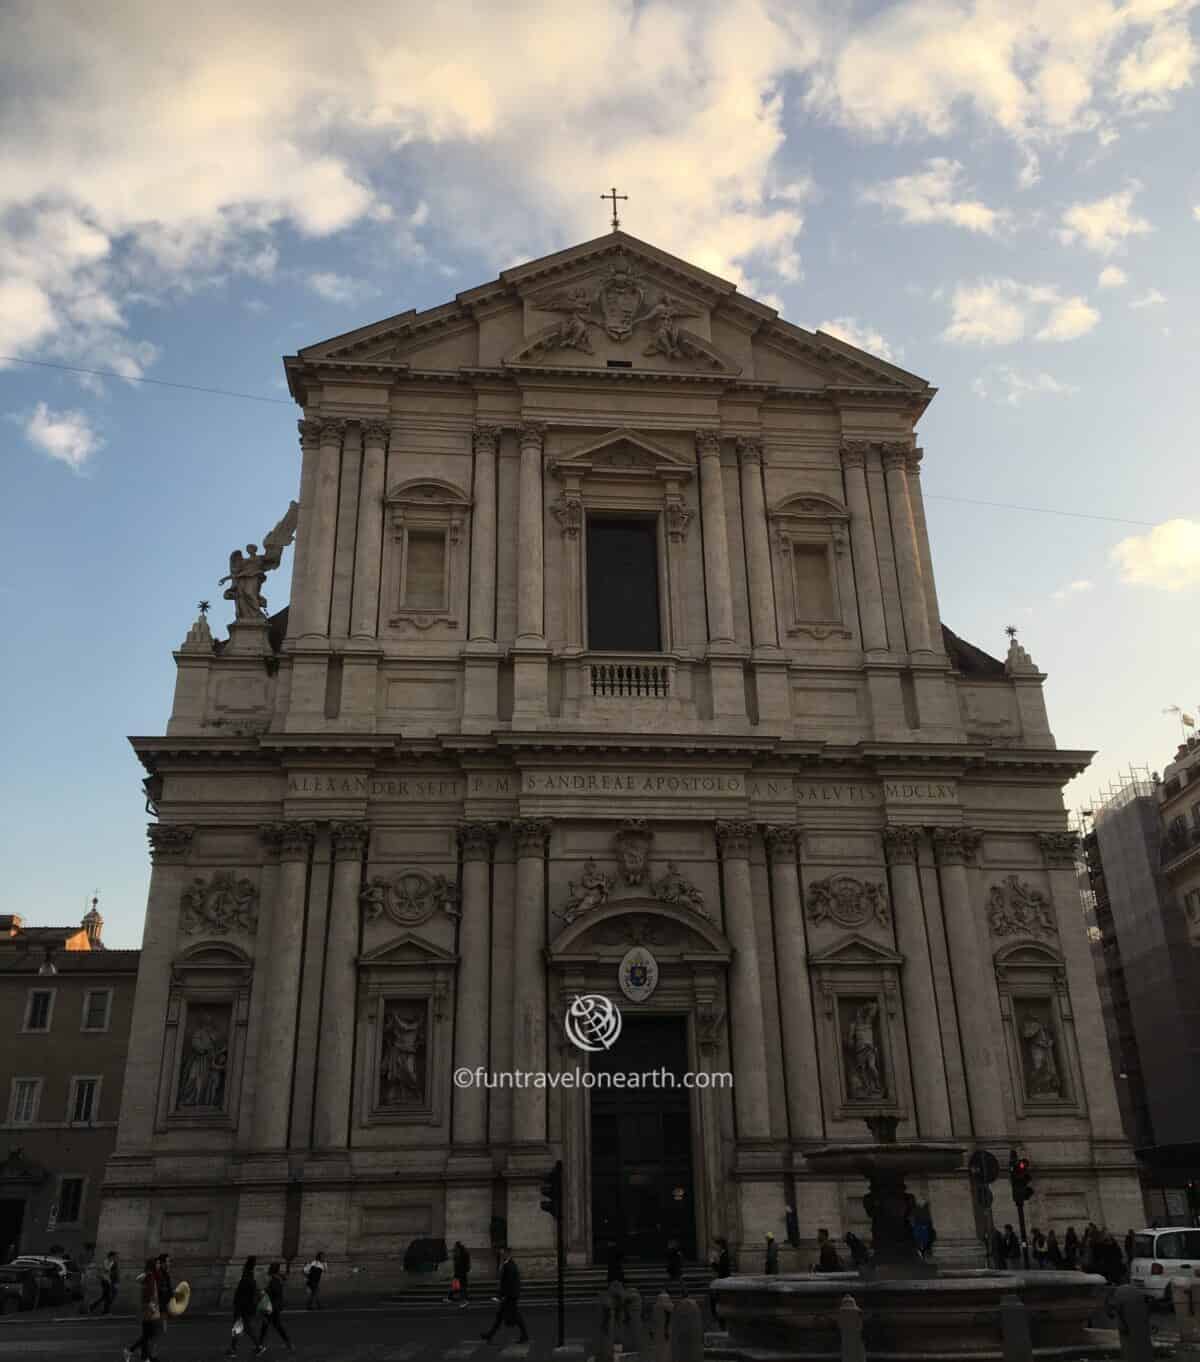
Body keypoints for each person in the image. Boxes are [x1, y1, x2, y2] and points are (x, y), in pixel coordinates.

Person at [481, 1248, 529, 1346]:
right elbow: (506, 1282)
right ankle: (490, 1335)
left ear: (508, 1253)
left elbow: (508, 1283)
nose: (501, 1255)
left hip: (510, 1296)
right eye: (501, 1253)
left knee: (516, 1317)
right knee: (500, 1317)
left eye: (503, 1253)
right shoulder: (508, 1264)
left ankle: (524, 1335)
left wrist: (502, 1296)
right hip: (510, 1295)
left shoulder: (509, 1265)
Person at [123, 1259, 161, 1362]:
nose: (159, 1265)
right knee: (149, 1335)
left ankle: (144, 1357)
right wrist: (152, 1307)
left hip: (147, 1308)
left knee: (147, 1335)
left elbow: (138, 1280)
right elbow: (148, 1294)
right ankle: (130, 1351)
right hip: (150, 1309)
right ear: (153, 1265)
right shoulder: (151, 1277)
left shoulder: (148, 1276)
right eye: (157, 1263)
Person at [227, 1256, 260, 1357]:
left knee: (238, 1328)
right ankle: (257, 1346)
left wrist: (237, 1305)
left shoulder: (246, 1279)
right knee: (244, 1328)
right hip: (246, 1308)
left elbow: (241, 1295)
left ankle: (233, 1349)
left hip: (242, 1308)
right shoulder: (250, 1278)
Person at [257, 1262, 293, 1353]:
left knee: (270, 1325)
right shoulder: (277, 1279)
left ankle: (260, 1344)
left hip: (272, 1307)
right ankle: (288, 1343)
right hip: (275, 1306)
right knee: (272, 1326)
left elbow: (273, 1292)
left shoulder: (275, 1280)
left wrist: (264, 1291)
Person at [709, 1238, 731, 1327]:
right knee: (715, 1299)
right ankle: (719, 1318)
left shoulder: (724, 1255)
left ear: (720, 1245)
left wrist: (713, 1263)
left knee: (716, 1299)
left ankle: (720, 1319)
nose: (715, 1247)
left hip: (723, 1281)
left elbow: (721, 1270)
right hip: (722, 1280)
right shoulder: (723, 1254)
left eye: (716, 1245)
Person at [90, 1249, 120, 1314]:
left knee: (106, 1296)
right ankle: (105, 1311)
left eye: (116, 1256)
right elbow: (107, 1271)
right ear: (111, 1256)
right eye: (115, 1256)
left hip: (111, 1281)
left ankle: (93, 1306)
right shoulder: (106, 1262)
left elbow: (115, 1273)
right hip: (105, 1281)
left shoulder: (114, 1263)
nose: (116, 1257)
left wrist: (116, 1281)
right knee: (107, 1296)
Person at [450, 1240, 471, 1307]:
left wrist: (457, 1273)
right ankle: (463, 1300)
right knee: (461, 1287)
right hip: (462, 1272)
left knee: (462, 1287)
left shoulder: (460, 1254)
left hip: (460, 1272)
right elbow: (466, 1264)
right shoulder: (463, 1252)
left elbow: (459, 1264)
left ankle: (464, 1301)